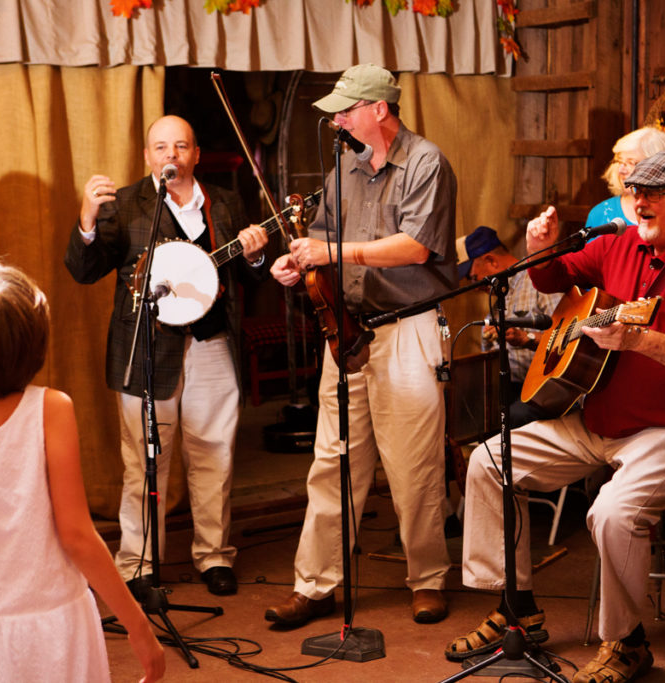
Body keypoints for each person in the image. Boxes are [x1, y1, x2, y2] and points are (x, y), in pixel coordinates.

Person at [446, 149, 665, 683]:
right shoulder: (619, 244)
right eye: (634, 190)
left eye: (652, 193)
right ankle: (517, 607)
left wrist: (640, 340)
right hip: (599, 420)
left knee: (611, 512)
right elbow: (552, 279)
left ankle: (627, 642)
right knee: (488, 460)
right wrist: (540, 250)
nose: (638, 201)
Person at [266, 63, 458, 626]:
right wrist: (298, 258)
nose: (338, 119)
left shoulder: (427, 162)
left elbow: (416, 248)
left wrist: (331, 252)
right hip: (346, 331)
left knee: (414, 466)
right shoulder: (344, 169)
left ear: (380, 110)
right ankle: (315, 585)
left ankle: (426, 579)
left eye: (347, 109)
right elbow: (325, 237)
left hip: (408, 325)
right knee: (331, 462)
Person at [0, 260, 165, 682]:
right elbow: (78, 536)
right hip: (44, 626)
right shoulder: (49, 408)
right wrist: (138, 626)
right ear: (32, 345)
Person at [64, 115, 269, 597]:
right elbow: (83, 270)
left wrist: (258, 254)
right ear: (148, 157)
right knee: (144, 462)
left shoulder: (227, 202)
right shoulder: (126, 206)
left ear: (196, 154)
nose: (170, 156)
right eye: (161, 147)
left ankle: (214, 555)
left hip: (213, 345)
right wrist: (88, 222)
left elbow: (251, 275)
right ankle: (139, 562)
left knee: (215, 456)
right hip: (145, 352)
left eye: (181, 146)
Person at [457, 224, 558, 427]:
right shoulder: (495, 307)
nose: (476, 287)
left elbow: (566, 335)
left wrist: (525, 338)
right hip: (510, 388)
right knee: (462, 409)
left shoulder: (536, 282)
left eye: (474, 278)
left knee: (506, 418)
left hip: (546, 387)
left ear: (491, 261)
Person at [586, 126, 665, 230]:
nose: (621, 170)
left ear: (660, 166)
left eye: (631, 163)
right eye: (619, 162)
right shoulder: (600, 213)